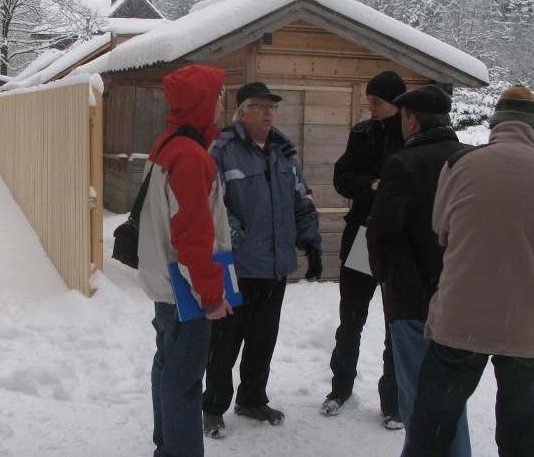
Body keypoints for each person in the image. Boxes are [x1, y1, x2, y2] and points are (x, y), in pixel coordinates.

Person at [407, 86, 534, 457]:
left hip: (462, 320)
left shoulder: (461, 163)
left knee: (432, 428)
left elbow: (441, 230)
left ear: (495, 125)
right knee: (523, 435)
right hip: (528, 326)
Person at [202, 81, 322, 438]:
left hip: (274, 267)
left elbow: (302, 198)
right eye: (260, 106)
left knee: (262, 338)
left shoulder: (284, 152)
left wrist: (312, 242)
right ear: (241, 112)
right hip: (237, 267)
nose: (268, 112)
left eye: (272, 107)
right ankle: (213, 406)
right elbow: (214, 205)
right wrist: (238, 239)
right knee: (224, 342)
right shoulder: (222, 151)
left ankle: (252, 398)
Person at [366, 84, 471, 457]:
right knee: (449, 398)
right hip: (462, 298)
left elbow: (381, 234)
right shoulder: (471, 159)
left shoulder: (402, 163)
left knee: (417, 396)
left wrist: (389, 279)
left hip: (413, 301)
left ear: (411, 120)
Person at [138, 64, 233, 457]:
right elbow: (193, 237)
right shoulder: (192, 157)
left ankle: (167, 445)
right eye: (220, 96)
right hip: (187, 289)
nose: (223, 104)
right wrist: (211, 295)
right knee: (184, 379)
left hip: (167, 281)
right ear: (204, 102)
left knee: (168, 366)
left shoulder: (167, 144)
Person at [320, 70, 405, 429]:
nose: (369, 107)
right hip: (361, 237)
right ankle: (340, 389)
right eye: (369, 100)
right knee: (351, 320)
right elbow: (342, 177)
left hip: (399, 244)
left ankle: (394, 403)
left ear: (397, 105)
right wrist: (371, 185)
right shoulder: (361, 133)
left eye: (376, 101)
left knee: (395, 327)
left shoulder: (413, 136)